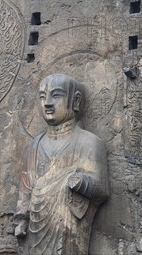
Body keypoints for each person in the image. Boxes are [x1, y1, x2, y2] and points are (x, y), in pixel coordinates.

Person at [15, 74, 109, 254]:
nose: (48, 103)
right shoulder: (35, 145)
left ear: (76, 101)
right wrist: (21, 218)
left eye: (56, 95)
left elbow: (102, 189)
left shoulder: (88, 142)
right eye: (43, 97)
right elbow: (26, 189)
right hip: (36, 226)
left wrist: (79, 181)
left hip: (69, 228)